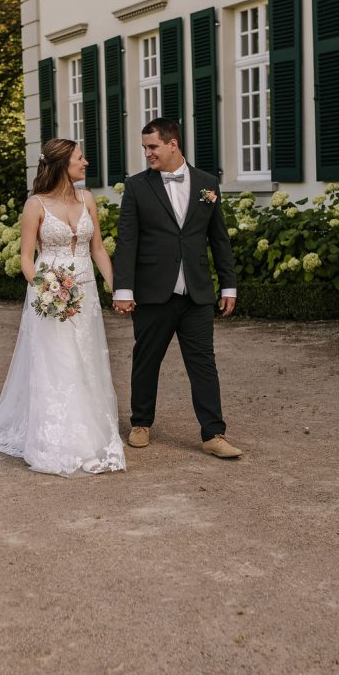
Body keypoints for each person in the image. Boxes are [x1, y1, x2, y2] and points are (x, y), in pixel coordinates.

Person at [0, 139, 126, 478]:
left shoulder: (87, 199)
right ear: (62, 165)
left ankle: (92, 435)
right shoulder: (35, 205)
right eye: (80, 158)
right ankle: (73, 446)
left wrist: (118, 288)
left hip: (85, 294)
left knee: (86, 362)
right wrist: (46, 291)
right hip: (50, 294)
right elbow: (26, 258)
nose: (85, 163)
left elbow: (98, 249)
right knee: (60, 366)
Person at [112, 118, 242, 459]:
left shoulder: (206, 183)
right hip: (153, 291)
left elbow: (219, 239)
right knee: (146, 360)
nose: (147, 154)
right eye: (144, 148)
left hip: (197, 293)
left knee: (204, 364)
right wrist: (123, 290)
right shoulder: (137, 186)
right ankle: (141, 423)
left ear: (173, 145)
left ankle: (214, 433)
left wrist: (228, 285)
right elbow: (127, 241)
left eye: (152, 147)